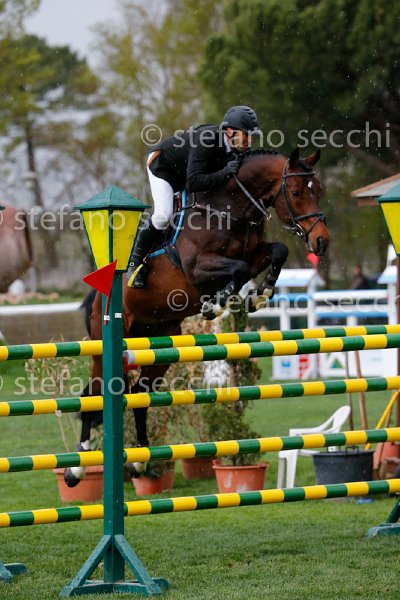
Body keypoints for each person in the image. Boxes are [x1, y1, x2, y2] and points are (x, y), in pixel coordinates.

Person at [127, 105, 262, 288]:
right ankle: (134, 262)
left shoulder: (235, 148)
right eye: (245, 135)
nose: (249, 141)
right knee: (164, 215)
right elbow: (194, 182)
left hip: (187, 172)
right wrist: (225, 173)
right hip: (163, 167)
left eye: (251, 136)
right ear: (230, 132)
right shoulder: (208, 139)